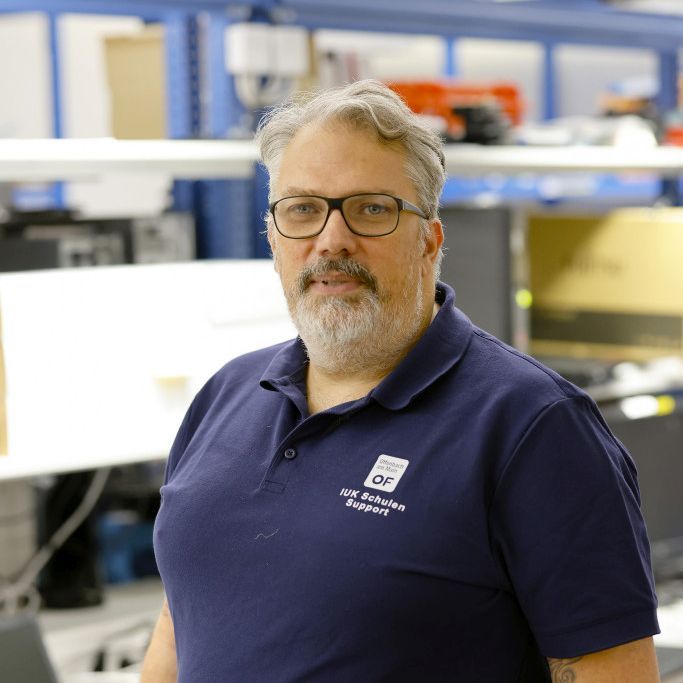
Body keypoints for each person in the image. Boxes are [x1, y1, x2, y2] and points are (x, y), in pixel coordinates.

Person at [142, 79, 660, 682]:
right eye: (302, 210)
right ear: (274, 239)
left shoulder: (533, 425)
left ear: (430, 240)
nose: (331, 240)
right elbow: (181, 622)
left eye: (371, 209)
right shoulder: (225, 396)